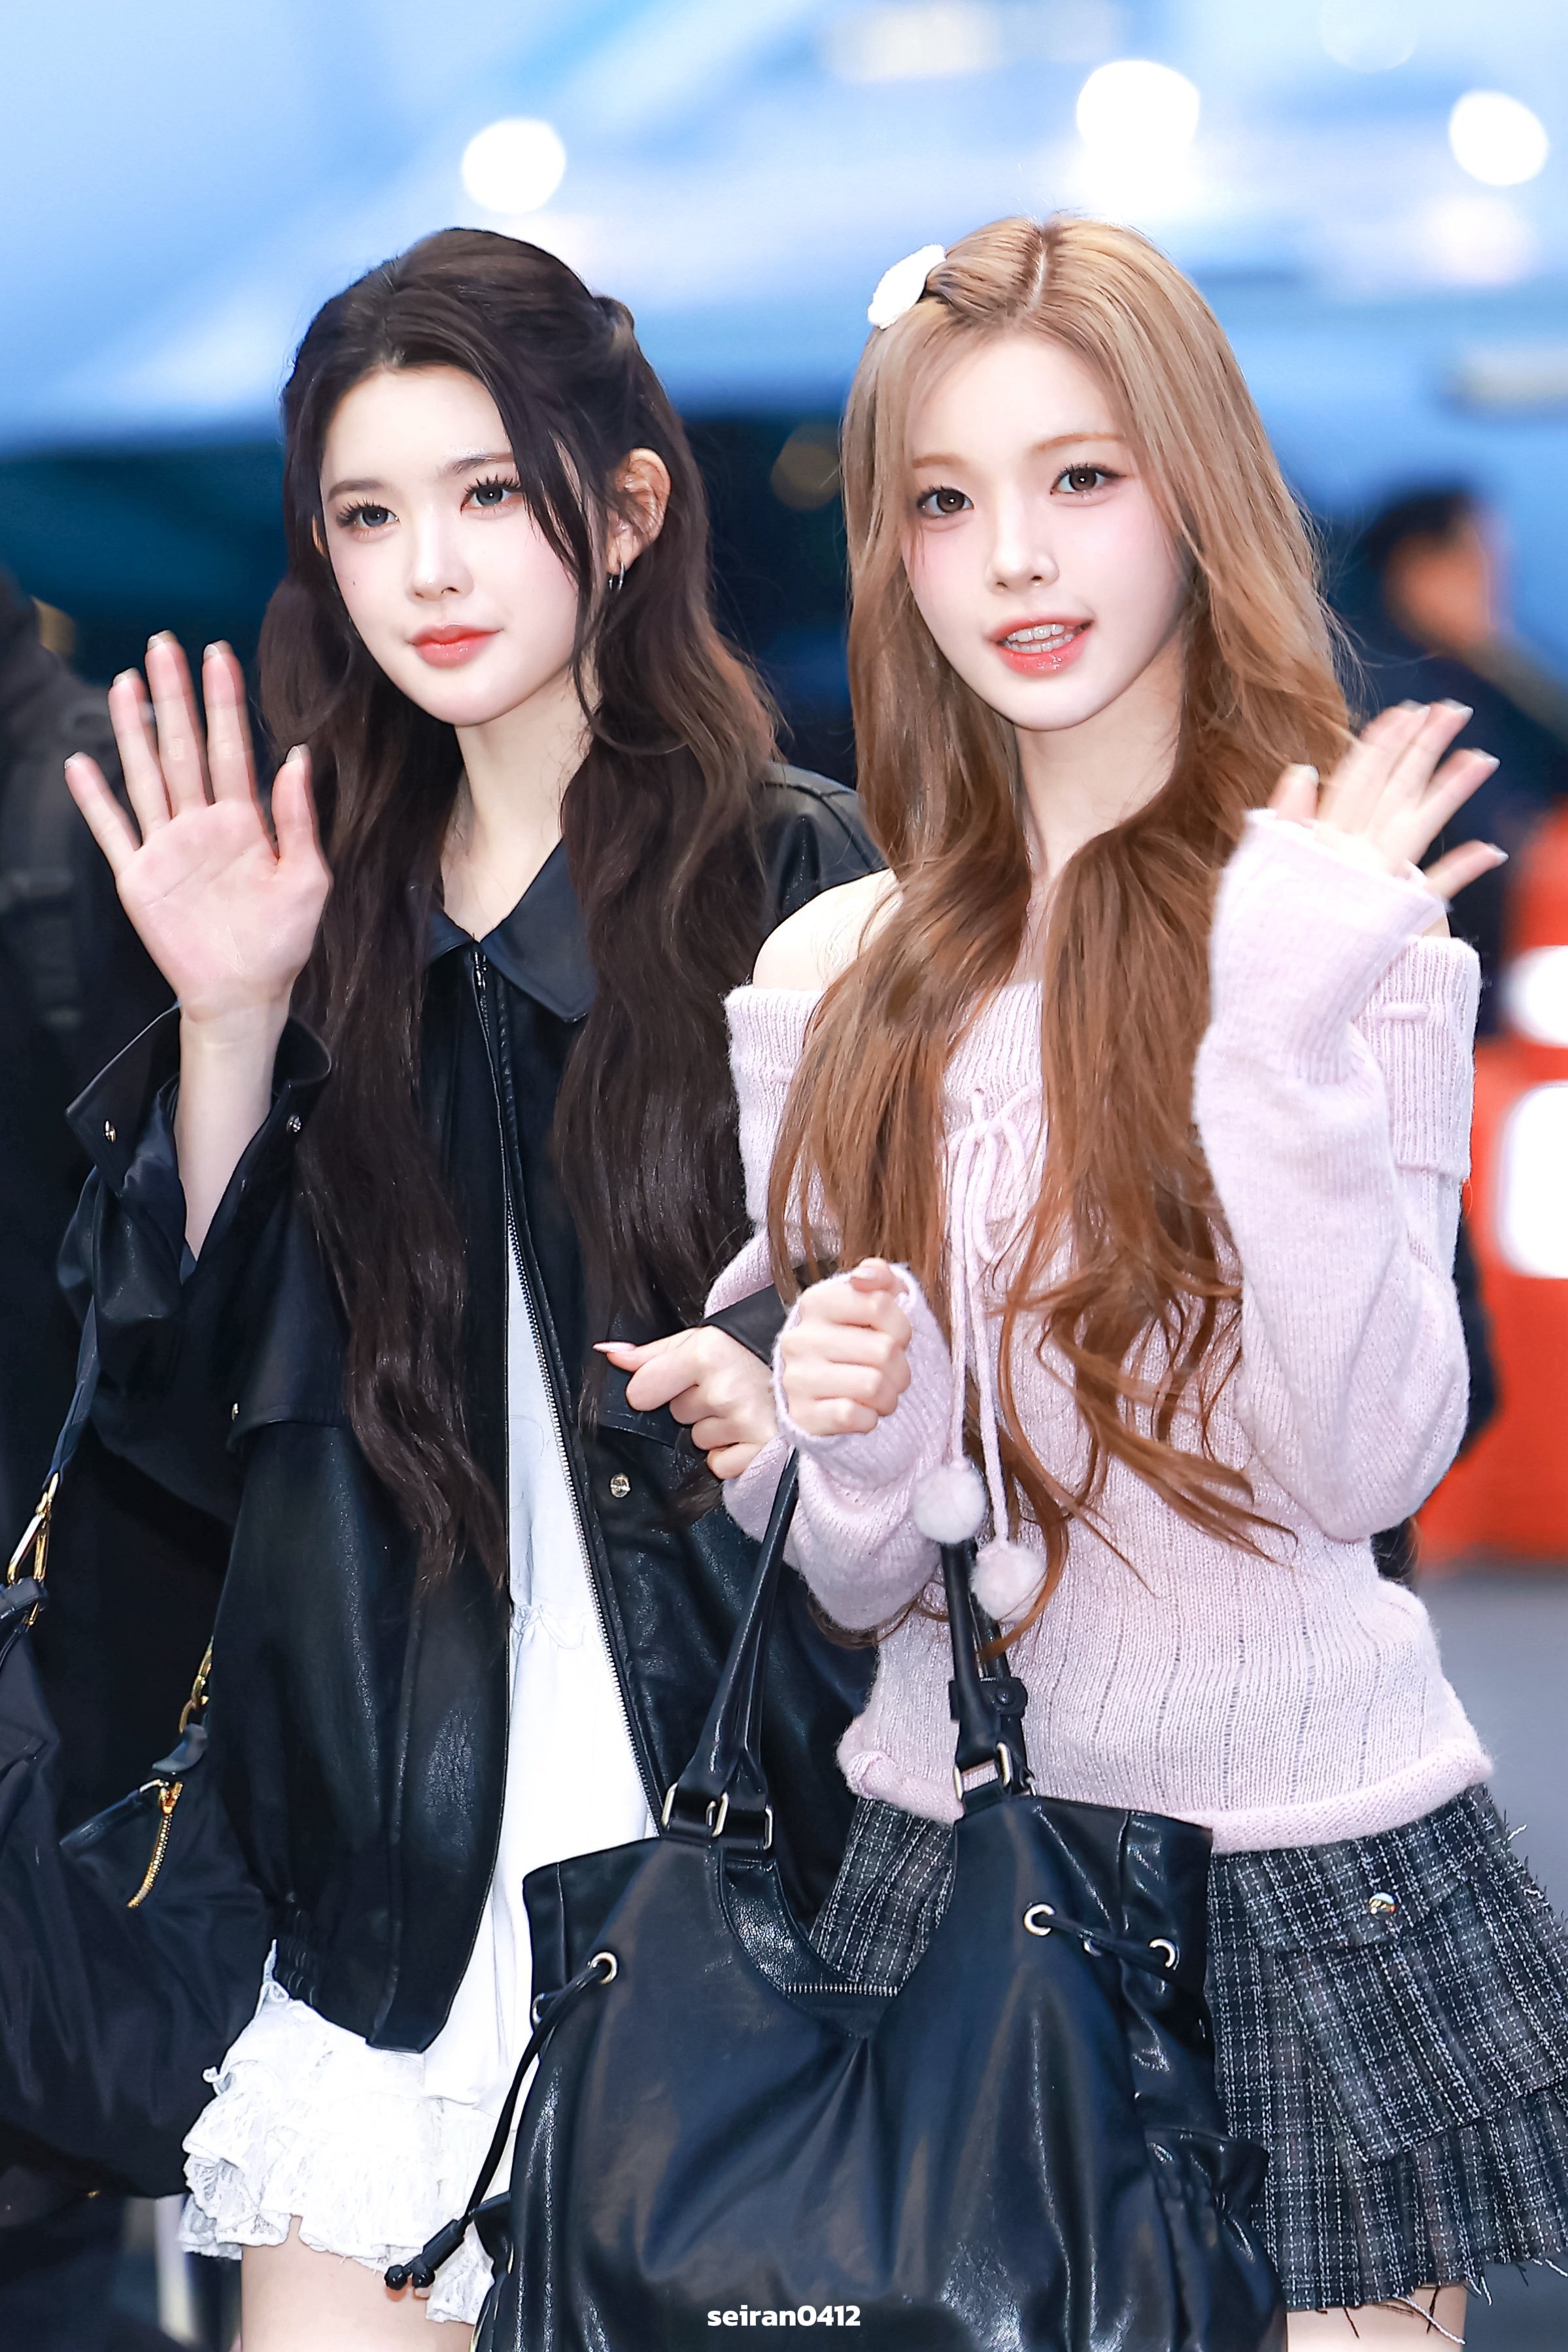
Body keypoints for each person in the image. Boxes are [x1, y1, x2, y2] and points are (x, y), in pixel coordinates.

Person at [700, 218, 1568, 2349]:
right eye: (942, 497)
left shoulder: (1332, 919)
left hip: (1315, 1867)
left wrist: (1268, 1032)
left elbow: (1362, 1459)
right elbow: (852, 1580)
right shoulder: (831, 975)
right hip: (949, 1855)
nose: (1011, 553)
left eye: (1077, 475)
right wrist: (846, 1429)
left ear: (1192, 492)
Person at [60, 228, 876, 2345]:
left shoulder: (802, 883)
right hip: (379, 1902)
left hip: (735, 1865)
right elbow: (179, 1417)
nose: (424, 564)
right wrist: (228, 1019)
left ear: (627, 504)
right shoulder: (305, 911)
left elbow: (913, 1343)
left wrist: (765, 1366)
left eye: (486, 490)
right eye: (364, 513)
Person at [1348, 484, 1568, 1025]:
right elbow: (1496, 835)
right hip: (1437, 997)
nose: (1497, 589)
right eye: (1483, 567)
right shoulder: (1385, 687)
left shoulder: (1469, 670)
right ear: (1421, 568)